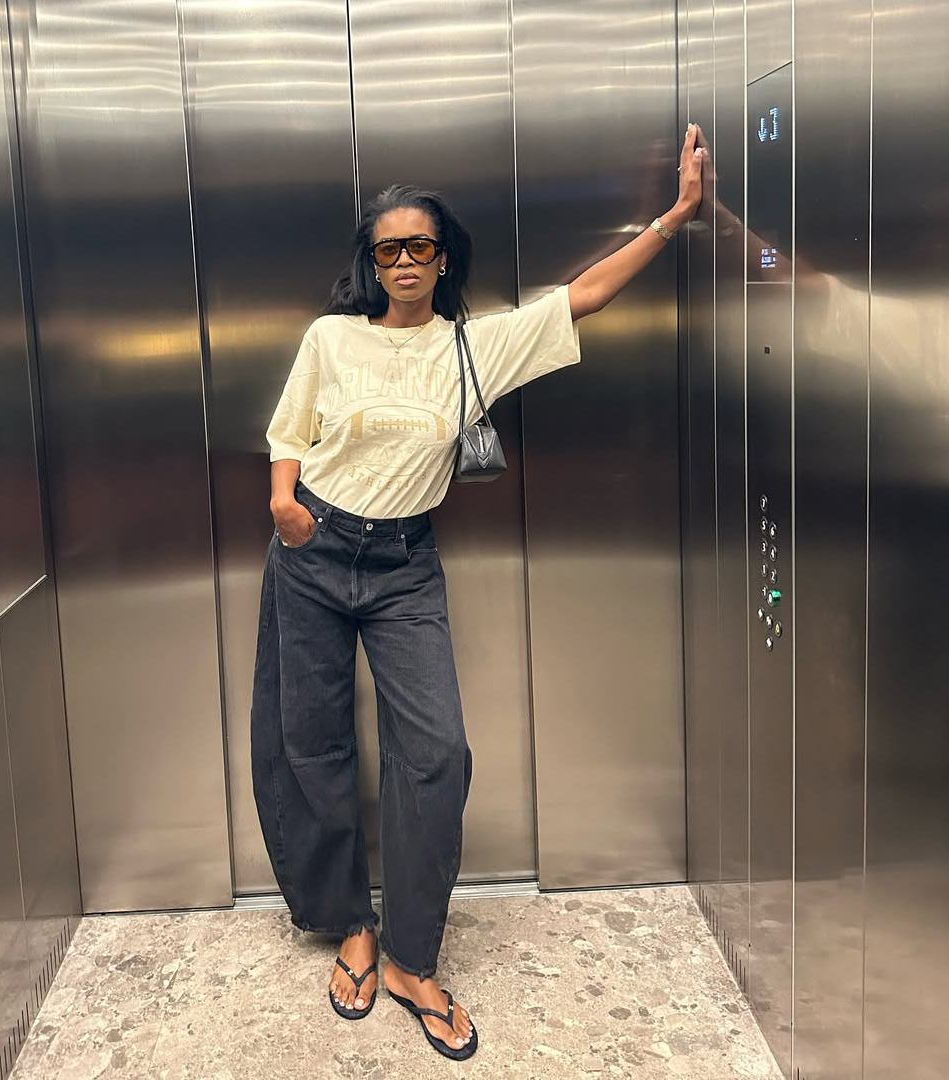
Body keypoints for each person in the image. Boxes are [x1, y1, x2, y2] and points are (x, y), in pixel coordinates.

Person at [250, 125, 705, 1061]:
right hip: (313, 551)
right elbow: (288, 430)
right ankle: (350, 924)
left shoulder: (476, 345)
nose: (404, 263)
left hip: (404, 565)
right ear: (372, 263)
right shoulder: (332, 337)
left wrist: (676, 215)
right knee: (312, 743)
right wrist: (284, 502)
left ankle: (411, 955)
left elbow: (582, 297)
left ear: (442, 257)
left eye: (419, 247)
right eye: (388, 250)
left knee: (438, 754)